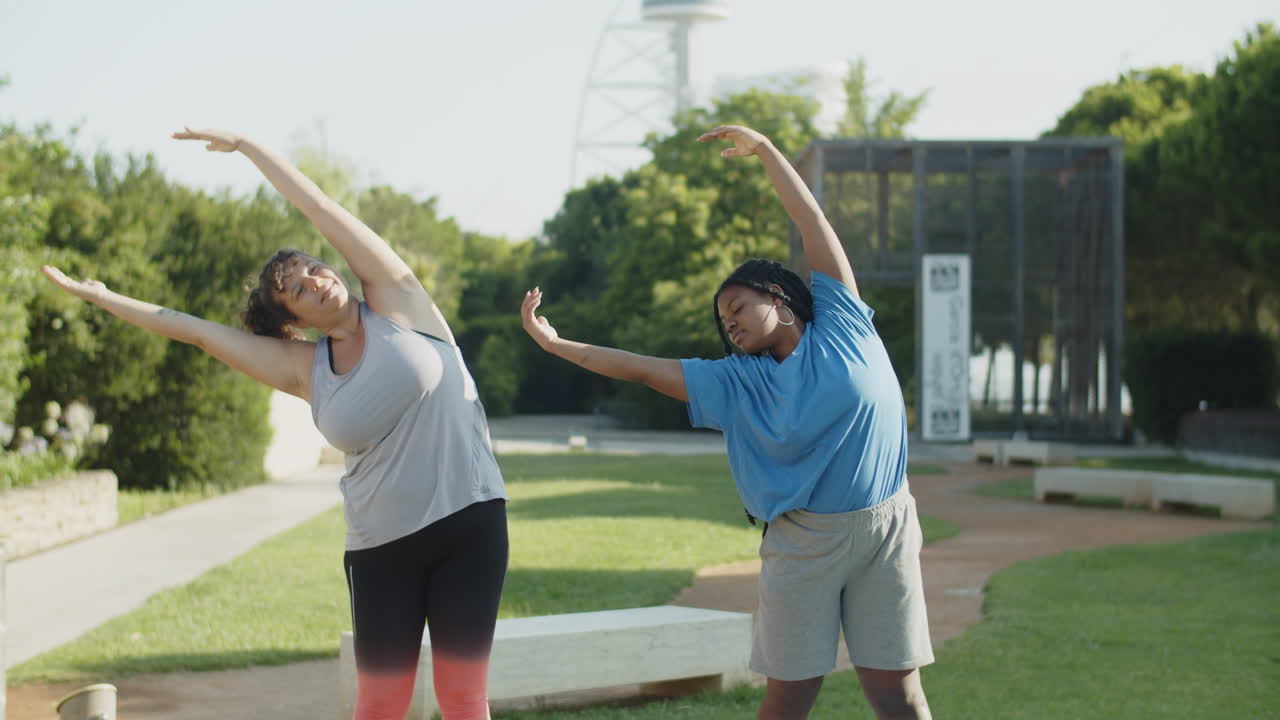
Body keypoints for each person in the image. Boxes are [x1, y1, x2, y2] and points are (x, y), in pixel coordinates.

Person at [43, 127, 508, 720]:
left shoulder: (399, 301)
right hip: (380, 548)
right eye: (295, 290)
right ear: (292, 320)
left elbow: (320, 208)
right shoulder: (304, 369)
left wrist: (247, 146)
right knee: (381, 705)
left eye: (312, 268)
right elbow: (197, 331)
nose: (314, 280)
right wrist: (106, 298)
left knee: (463, 698)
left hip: (468, 523)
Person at [520, 125, 933, 720]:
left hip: (886, 530)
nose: (730, 322)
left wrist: (766, 152)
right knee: (789, 697)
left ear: (779, 296)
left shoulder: (843, 322)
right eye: (723, 318)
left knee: (898, 691)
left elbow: (812, 220)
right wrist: (559, 346)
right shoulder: (738, 383)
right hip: (804, 545)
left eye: (738, 306)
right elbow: (641, 370)